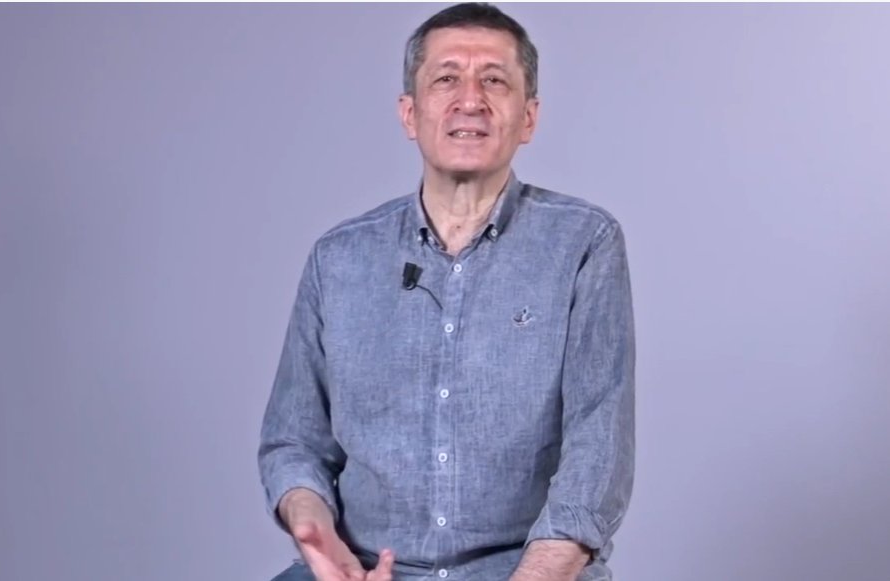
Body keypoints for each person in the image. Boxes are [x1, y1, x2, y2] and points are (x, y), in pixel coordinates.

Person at [258, 3, 635, 580]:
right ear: (410, 113)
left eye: (494, 80)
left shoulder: (585, 243)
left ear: (528, 118)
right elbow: (293, 443)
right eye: (446, 79)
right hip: (366, 568)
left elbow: (597, 454)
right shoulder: (338, 259)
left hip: (525, 568)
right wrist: (321, 539)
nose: (470, 100)